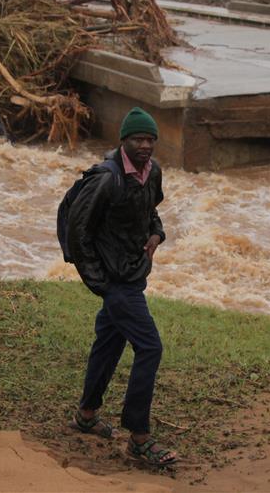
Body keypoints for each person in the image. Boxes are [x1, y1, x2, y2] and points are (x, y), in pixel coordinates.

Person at [66, 107, 178, 466]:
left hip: (132, 273)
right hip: (117, 283)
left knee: (109, 344)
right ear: (123, 141)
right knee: (150, 347)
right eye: (138, 139)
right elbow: (77, 232)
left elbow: (150, 212)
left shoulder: (152, 172)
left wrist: (157, 234)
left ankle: (85, 416)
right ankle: (139, 438)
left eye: (150, 140)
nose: (145, 146)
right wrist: (102, 285)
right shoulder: (105, 179)